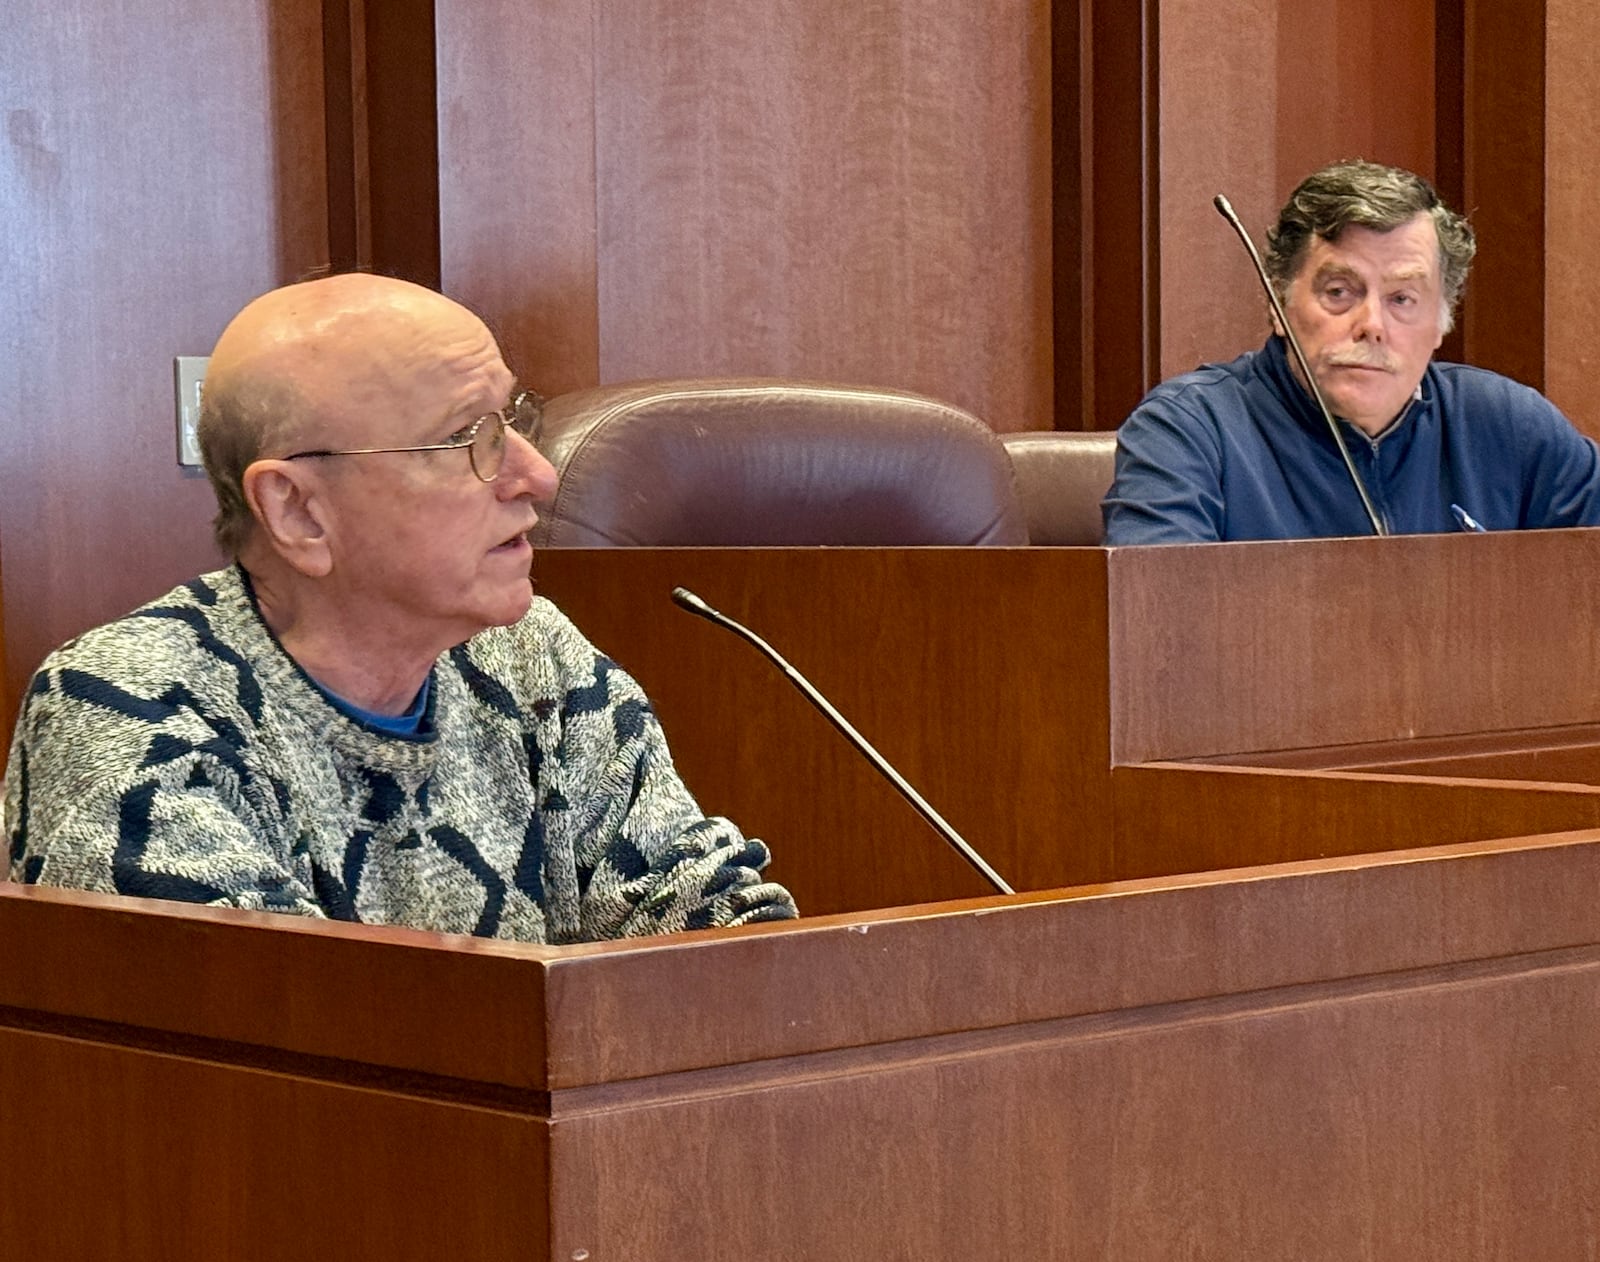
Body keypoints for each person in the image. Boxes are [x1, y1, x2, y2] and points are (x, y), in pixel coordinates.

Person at [4, 274, 797, 942]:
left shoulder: (534, 660)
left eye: (515, 420)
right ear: (298, 512)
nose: (537, 476)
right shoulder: (130, 709)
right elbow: (272, 1054)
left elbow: (717, 936)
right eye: (467, 439)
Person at [1101, 159, 1600, 544]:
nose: (1372, 326)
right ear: (1278, 302)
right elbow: (1155, 630)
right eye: (1339, 292)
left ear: (1441, 322)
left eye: (1402, 299)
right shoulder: (1190, 430)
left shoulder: (1509, 427)